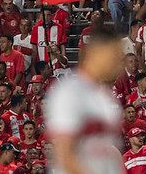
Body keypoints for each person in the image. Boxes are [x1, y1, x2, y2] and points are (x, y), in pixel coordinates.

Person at [46, 27, 125, 174]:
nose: (119, 64)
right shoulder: (70, 91)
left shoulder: (104, 96)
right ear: (98, 53)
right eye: (115, 57)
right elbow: (65, 153)